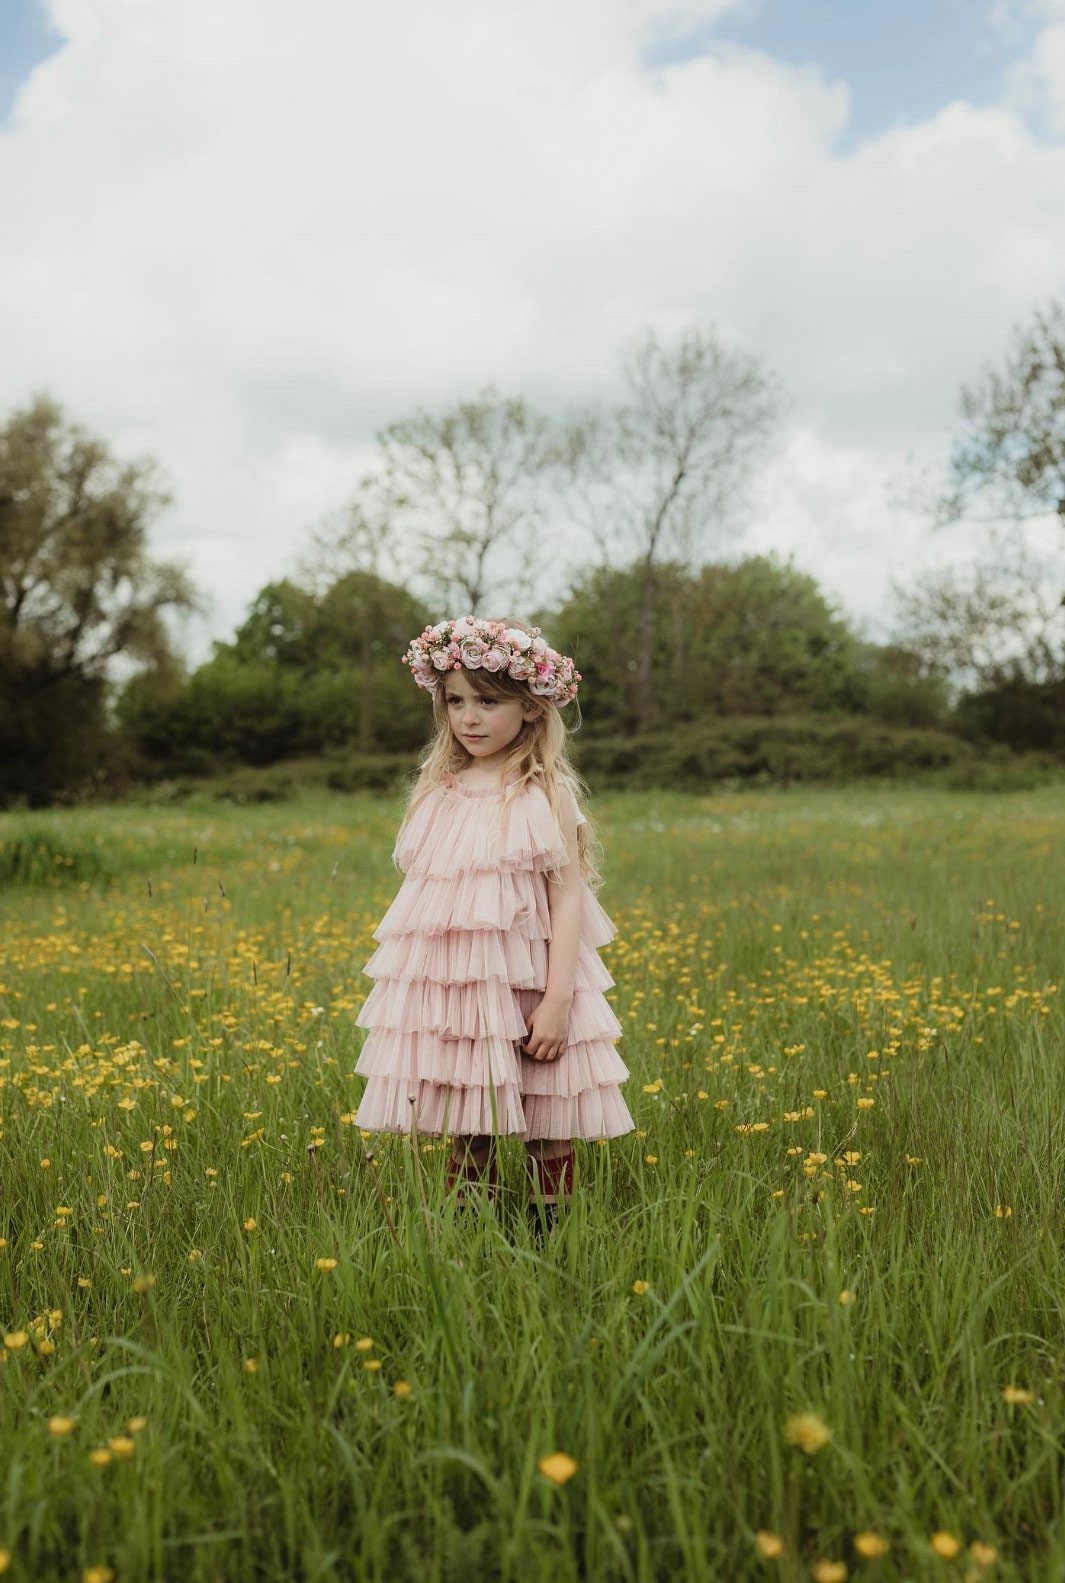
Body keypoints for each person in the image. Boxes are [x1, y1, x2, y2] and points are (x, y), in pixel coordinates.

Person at [352, 614, 634, 1235]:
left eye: (487, 701)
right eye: (456, 701)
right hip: (466, 986)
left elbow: (567, 900)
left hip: (534, 978)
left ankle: (549, 1237)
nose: (469, 718)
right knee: (470, 1116)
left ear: (530, 708)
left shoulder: (543, 792)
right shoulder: (441, 791)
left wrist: (558, 999)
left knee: (548, 1111)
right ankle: (468, 1237)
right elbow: (430, 903)